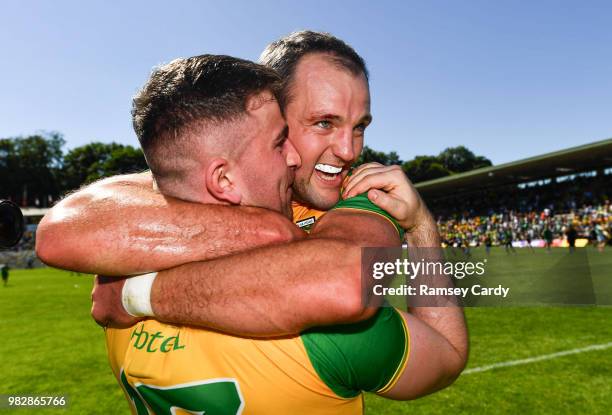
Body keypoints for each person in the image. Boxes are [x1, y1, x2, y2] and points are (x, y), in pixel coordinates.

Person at [36, 31, 467, 408]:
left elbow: (69, 228)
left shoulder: (131, 242)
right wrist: (420, 230)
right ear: (269, 113)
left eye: (360, 126)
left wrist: (134, 293)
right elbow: (434, 345)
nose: (351, 151)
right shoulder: (323, 315)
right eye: (322, 123)